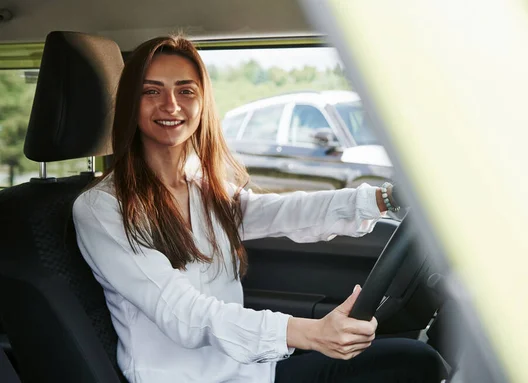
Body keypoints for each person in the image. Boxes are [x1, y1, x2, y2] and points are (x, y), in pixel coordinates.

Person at [72, 35, 446, 383]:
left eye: (185, 90)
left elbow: (283, 212)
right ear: (130, 104)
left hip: (252, 373)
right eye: (151, 91)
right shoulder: (103, 209)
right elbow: (184, 315)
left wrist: (384, 199)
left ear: (202, 102)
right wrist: (309, 333)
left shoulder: (201, 185)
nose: (171, 105)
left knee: (414, 360)